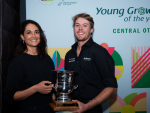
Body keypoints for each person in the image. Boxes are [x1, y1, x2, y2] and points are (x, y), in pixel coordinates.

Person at [65, 13, 118, 113]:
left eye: (85, 25)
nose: (80, 28)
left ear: (91, 30)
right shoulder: (69, 54)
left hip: (93, 108)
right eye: (77, 25)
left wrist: (87, 106)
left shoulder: (100, 52)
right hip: (72, 108)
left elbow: (112, 87)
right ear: (73, 28)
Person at [3, 20, 56, 113]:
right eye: (29, 32)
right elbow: (11, 96)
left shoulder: (47, 59)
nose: (34, 36)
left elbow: (52, 87)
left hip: (49, 108)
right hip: (29, 109)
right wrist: (35, 88)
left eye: (36, 32)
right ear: (22, 37)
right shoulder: (17, 62)